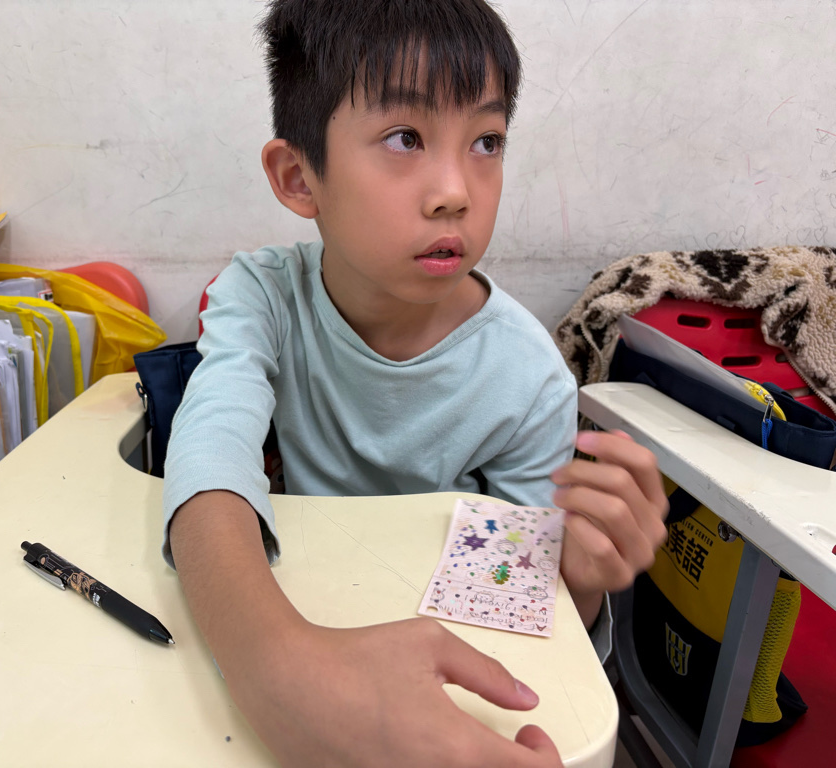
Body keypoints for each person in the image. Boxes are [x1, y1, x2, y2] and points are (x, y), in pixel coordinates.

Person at [163, 1, 669, 766]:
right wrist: (278, 668)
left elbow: (530, 616)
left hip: (444, 670)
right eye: (405, 137)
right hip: (295, 613)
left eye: (487, 142)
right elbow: (210, 453)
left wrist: (583, 576)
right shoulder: (262, 294)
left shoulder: (526, 376)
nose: (455, 191)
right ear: (300, 177)